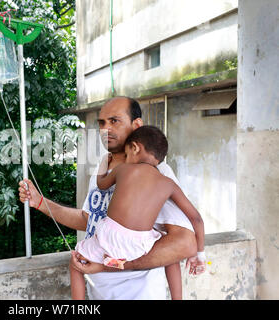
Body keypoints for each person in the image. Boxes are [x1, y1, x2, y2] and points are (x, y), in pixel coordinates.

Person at [18, 96, 205, 300]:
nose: (105, 129)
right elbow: (88, 219)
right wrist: (41, 203)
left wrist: (109, 266)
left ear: (137, 125)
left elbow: (185, 244)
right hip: (99, 291)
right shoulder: (104, 167)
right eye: (102, 123)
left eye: (114, 121)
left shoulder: (159, 173)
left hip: (139, 293)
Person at [70, 125, 206, 300]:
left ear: (135, 148)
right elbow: (196, 219)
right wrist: (200, 254)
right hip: (139, 247)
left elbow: (102, 184)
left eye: (126, 154)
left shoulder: (123, 169)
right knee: (167, 247)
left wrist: (104, 162)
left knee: (76, 262)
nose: (125, 159)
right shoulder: (168, 184)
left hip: (108, 238)